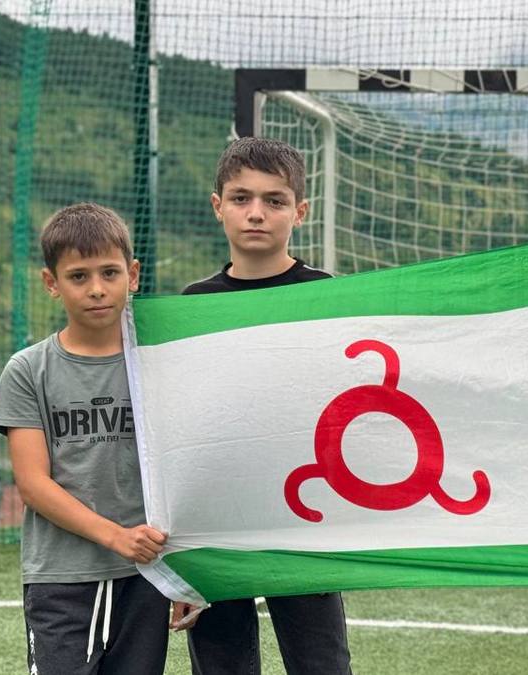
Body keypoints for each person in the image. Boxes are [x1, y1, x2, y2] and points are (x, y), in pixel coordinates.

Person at [176, 137, 353, 674]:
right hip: (217, 520)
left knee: (321, 662)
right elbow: (180, 426)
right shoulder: (193, 305)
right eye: (241, 198)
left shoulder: (328, 296)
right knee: (222, 663)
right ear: (218, 206)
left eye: (274, 200)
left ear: (300, 211)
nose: (256, 213)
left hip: (305, 516)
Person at [0, 203, 170, 673]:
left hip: (146, 576)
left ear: (133, 275)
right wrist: (117, 537)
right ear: (51, 283)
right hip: (62, 577)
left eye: (110, 273)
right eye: (78, 276)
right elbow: (33, 484)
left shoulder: (160, 363)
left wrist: (187, 576)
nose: (96, 289)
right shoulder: (28, 370)